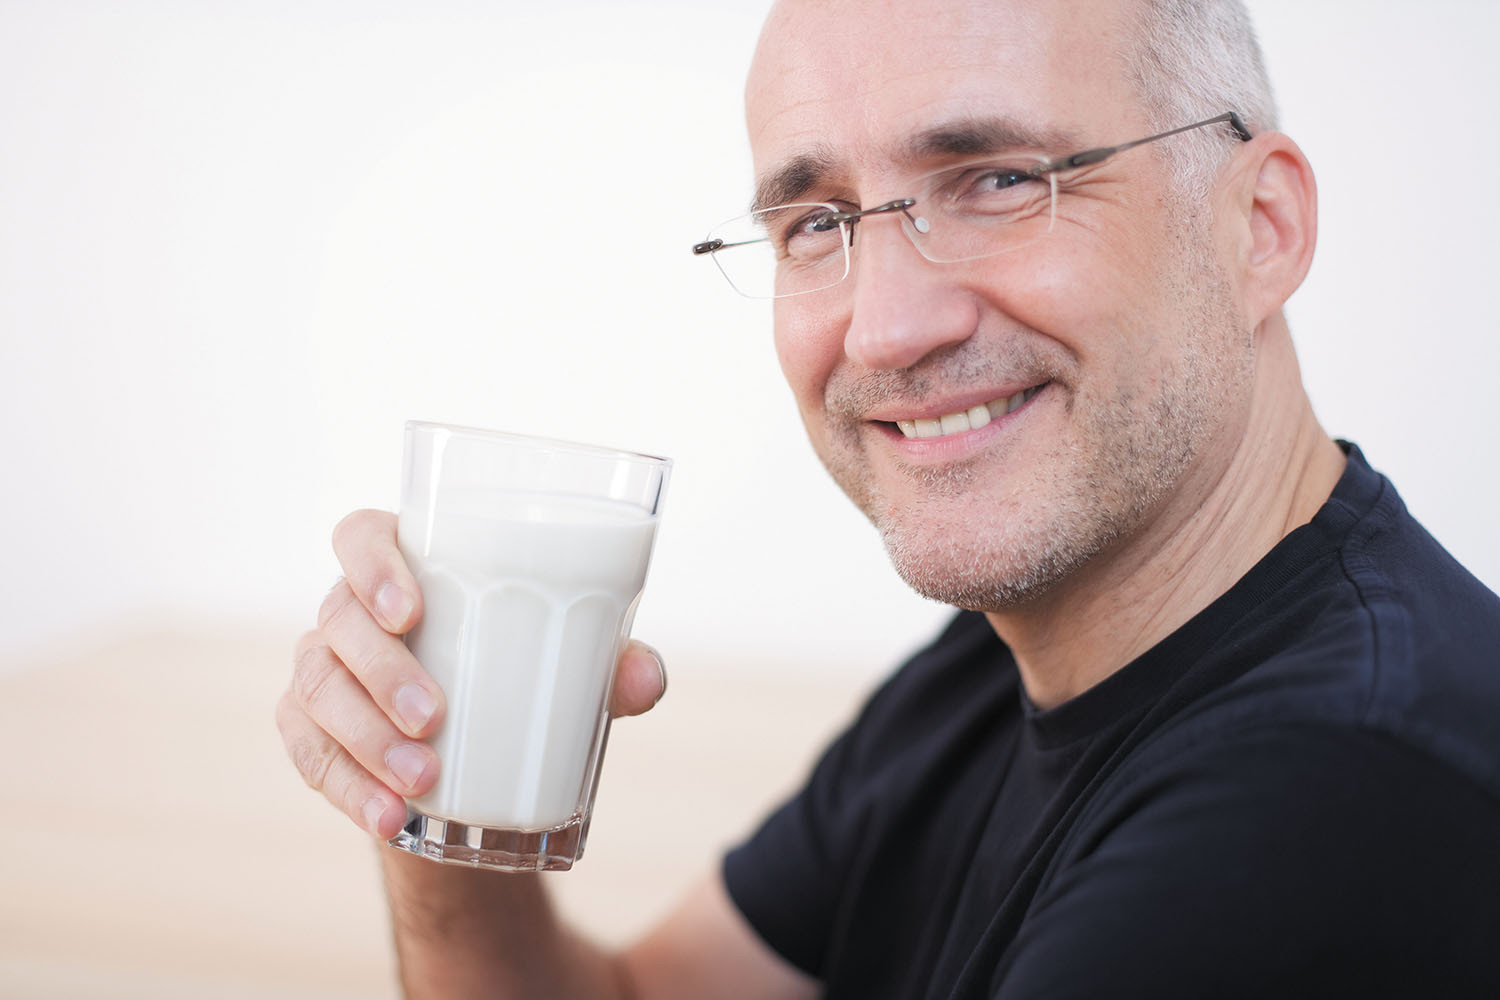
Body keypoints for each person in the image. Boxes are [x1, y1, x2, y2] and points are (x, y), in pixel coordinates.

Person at [277, 0, 1500, 995]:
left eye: (1001, 180)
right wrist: (430, 799)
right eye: (817, 223)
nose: (888, 325)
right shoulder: (1012, 652)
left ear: (1261, 226)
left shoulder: (1325, 803)